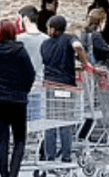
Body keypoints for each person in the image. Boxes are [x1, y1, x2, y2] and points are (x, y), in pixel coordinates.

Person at [0, 20, 36, 177]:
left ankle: (4, 175)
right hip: (17, 99)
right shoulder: (19, 50)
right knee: (19, 139)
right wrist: (24, 90)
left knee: (2, 138)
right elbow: (30, 74)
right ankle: (13, 174)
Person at [41, 15, 90, 163]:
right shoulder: (69, 38)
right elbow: (78, 46)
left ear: (52, 28)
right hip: (66, 86)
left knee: (50, 121)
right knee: (65, 121)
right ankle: (66, 156)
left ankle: (50, 156)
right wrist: (85, 62)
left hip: (50, 86)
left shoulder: (45, 44)